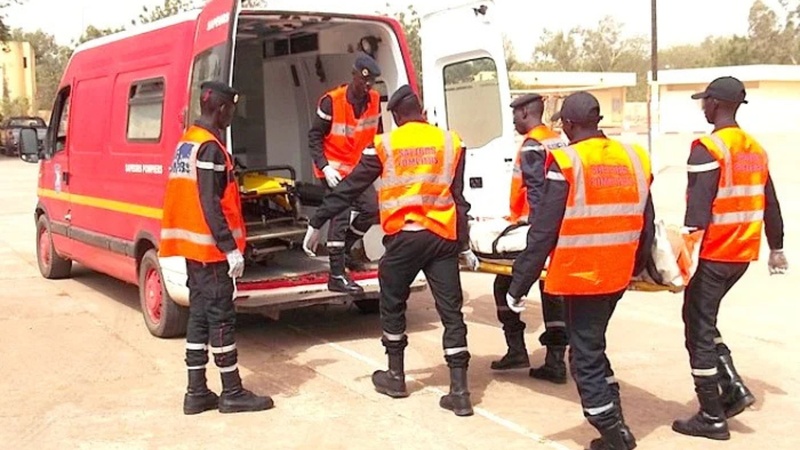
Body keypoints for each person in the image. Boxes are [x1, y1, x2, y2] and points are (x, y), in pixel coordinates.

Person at [302, 85, 480, 417]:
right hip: (442, 238)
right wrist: (465, 243)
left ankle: (396, 376)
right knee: (451, 312)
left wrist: (318, 220)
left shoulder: (384, 144)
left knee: (392, 303)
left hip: (405, 239)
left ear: (396, 116)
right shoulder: (451, 142)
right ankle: (460, 392)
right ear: (422, 113)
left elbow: (350, 187)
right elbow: (459, 199)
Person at [506, 92, 654, 450]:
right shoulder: (633, 156)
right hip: (618, 273)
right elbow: (648, 220)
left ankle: (613, 433)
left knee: (584, 358)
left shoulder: (568, 161)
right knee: (593, 346)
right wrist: (639, 266)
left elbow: (544, 230)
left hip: (583, 274)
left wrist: (519, 284)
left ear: (569, 124)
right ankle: (617, 425)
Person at [671, 76, 788, 441]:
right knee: (702, 319)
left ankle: (711, 414)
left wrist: (680, 260)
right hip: (741, 254)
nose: (702, 107)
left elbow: (697, 212)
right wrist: (777, 247)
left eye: (705, 101)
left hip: (714, 253)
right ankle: (732, 387)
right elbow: (770, 202)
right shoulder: (754, 149)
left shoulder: (708, 148)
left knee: (697, 329)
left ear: (717, 104)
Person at [160, 81, 274, 415]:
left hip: (194, 250)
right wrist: (230, 248)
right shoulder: (209, 148)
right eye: (231, 109)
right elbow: (210, 202)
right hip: (211, 252)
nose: (232, 115)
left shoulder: (188, 142)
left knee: (198, 317)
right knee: (221, 319)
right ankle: (232, 392)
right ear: (222, 108)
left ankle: (196, 391)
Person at [491, 93, 571, 386]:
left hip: (534, 230)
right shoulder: (557, 140)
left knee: (504, 285)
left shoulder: (532, 145)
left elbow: (537, 194)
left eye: (515, 113)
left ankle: (517, 350)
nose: (513, 120)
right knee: (553, 292)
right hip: (559, 225)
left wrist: (538, 237)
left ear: (525, 112)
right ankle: (555, 360)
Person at [308, 53, 383, 294]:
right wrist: (324, 166)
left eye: (371, 81)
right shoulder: (331, 101)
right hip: (334, 170)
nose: (367, 85)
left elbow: (378, 135)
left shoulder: (374, 100)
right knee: (339, 216)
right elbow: (314, 137)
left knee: (371, 209)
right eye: (363, 80)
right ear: (353, 75)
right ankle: (337, 275)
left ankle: (346, 250)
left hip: (358, 170)